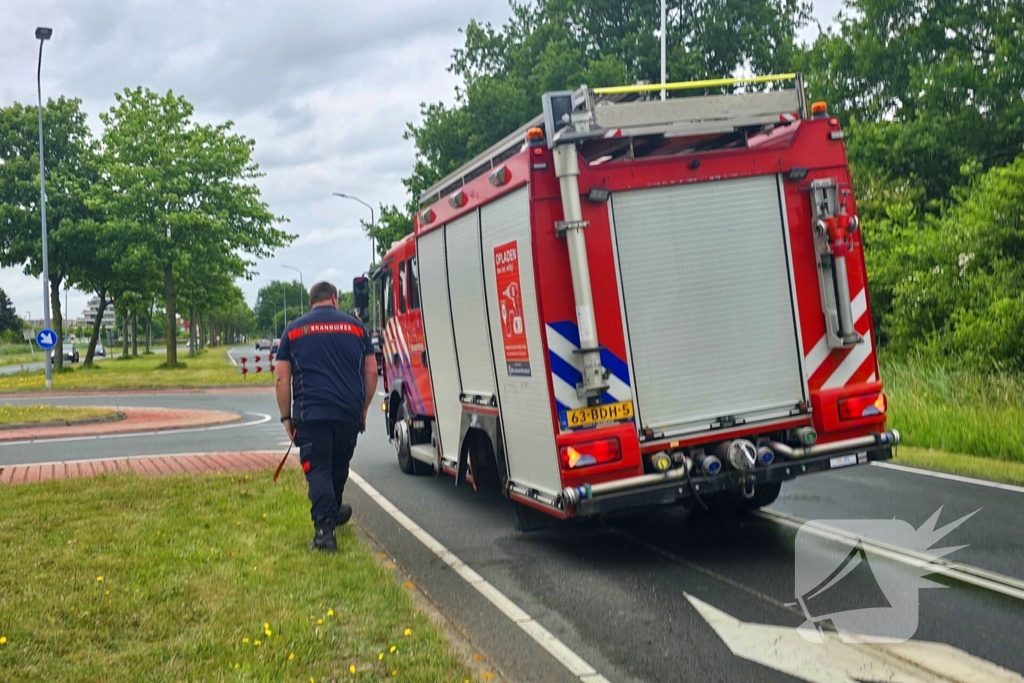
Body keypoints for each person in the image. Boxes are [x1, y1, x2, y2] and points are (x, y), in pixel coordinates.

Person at [275, 281, 378, 552]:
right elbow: (371, 372)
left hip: (311, 412)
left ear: (311, 302)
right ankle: (332, 513)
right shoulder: (356, 327)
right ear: (334, 298)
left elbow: (282, 378)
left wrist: (286, 417)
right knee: (338, 465)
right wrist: (364, 409)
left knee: (318, 468)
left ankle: (324, 532)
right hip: (348, 411)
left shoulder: (294, 329)